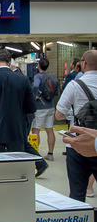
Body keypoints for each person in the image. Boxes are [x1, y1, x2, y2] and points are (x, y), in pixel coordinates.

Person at [55, 50, 97, 202]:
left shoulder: (74, 85)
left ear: (84, 64)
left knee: (77, 195)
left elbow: (59, 115)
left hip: (78, 145)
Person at [31, 58, 58, 161]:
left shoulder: (38, 76)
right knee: (49, 130)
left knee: (36, 130)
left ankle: (35, 154)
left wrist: (35, 95)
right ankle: (50, 153)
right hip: (50, 105)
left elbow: (36, 86)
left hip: (40, 106)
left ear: (39, 66)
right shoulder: (51, 76)